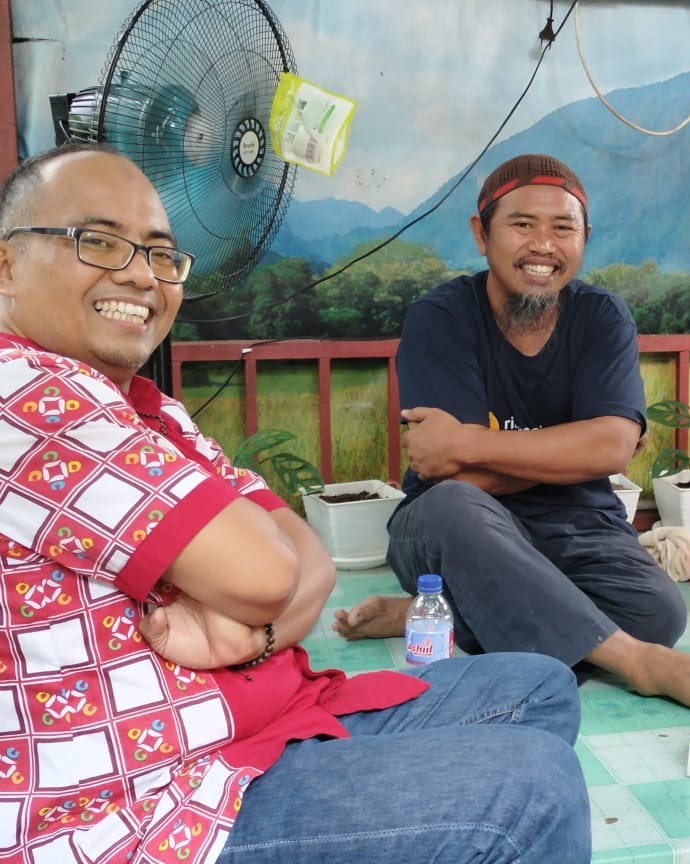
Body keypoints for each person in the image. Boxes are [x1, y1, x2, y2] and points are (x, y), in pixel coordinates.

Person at [0, 141, 591, 864]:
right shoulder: (24, 390)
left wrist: (253, 635)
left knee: (540, 685)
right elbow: (272, 571)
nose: (140, 274)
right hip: (156, 806)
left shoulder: (153, 411)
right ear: (6, 265)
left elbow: (311, 562)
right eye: (98, 241)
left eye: (159, 254)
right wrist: (257, 589)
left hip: (268, 725)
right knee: (533, 786)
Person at [333, 153, 690, 715]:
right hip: (452, 530)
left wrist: (467, 442)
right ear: (482, 234)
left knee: (658, 612)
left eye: (562, 228)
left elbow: (609, 448)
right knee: (455, 504)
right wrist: (570, 452)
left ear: (585, 238)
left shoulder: (602, 317)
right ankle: (639, 663)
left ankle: (438, 611)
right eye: (522, 224)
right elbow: (450, 477)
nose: (543, 246)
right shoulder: (442, 319)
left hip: (578, 523)